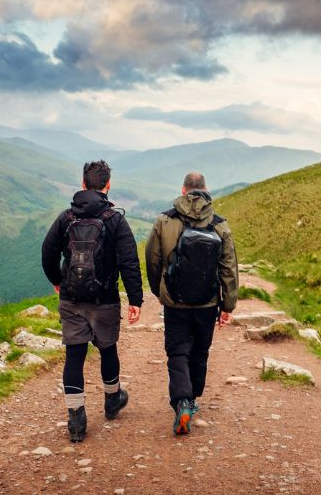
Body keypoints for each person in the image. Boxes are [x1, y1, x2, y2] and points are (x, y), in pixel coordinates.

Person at [42, 160, 143, 442]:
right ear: (108, 185)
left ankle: (76, 419)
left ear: (83, 184)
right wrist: (136, 299)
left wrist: (58, 281)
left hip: (71, 298)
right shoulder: (115, 220)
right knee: (107, 349)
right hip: (106, 299)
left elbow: (47, 253)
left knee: (74, 354)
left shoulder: (66, 218)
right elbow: (129, 262)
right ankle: (112, 400)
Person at [145, 171, 238, 435]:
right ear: (206, 190)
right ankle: (192, 398)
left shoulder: (165, 220)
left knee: (177, 352)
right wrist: (227, 306)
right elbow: (229, 268)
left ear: (183, 191)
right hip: (207, 303)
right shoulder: (220, 225)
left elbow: (152, 259)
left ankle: (182, 402)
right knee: (200, 352)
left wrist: (160, 291)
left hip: (174, 302)